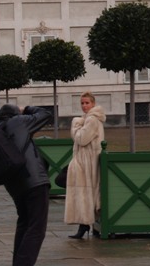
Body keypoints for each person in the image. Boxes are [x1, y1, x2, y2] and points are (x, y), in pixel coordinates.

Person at [0, 104, 53, 266]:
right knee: (36, 229)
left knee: (24, 223)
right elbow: (46, 114)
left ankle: (18, 263)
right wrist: (26, 109)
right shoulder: (18, 122)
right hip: (34, 181)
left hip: (14, 185)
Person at [64, 91, 106, 239]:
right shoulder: (87, 119)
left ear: (93, 103)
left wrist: (75, 125)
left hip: (88, 160)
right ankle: (89, 226)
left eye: (87, 103)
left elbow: (81, 139)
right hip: (86, 159)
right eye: (82, 103)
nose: (84, 106)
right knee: (88, 193)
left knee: (86, 193)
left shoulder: (91, 120)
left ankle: (85, 225)